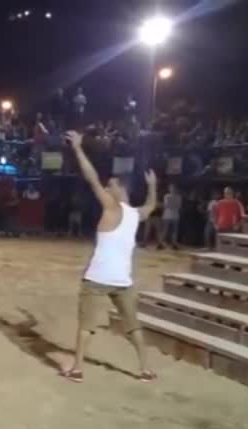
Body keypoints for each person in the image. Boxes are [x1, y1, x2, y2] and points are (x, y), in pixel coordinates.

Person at [61, 130, 157, 383]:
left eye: (111, 185)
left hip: (97, 278)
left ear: (120, 190)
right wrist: (153, 186)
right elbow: (151, 206)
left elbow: (91, 177)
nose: (106, 186)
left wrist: (78, 149)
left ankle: (78, 368)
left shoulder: (111, 207)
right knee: (133, 325)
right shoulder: (136, 215)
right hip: (122, 281)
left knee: (86, 326)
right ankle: (145, 369)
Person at [161, 184, 182, 249]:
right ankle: (161, 243)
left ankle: (174, 244)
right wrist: (172, 204)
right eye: (171, 188)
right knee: (165, 230)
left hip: (175, 216)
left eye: (173, 188)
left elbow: (179, 206)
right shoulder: (166, 196)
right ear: (169, 189)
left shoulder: (178, 197)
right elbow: (166, 205)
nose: (172, 189)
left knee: (174, 231)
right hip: (167, 215)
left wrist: (172, 204)